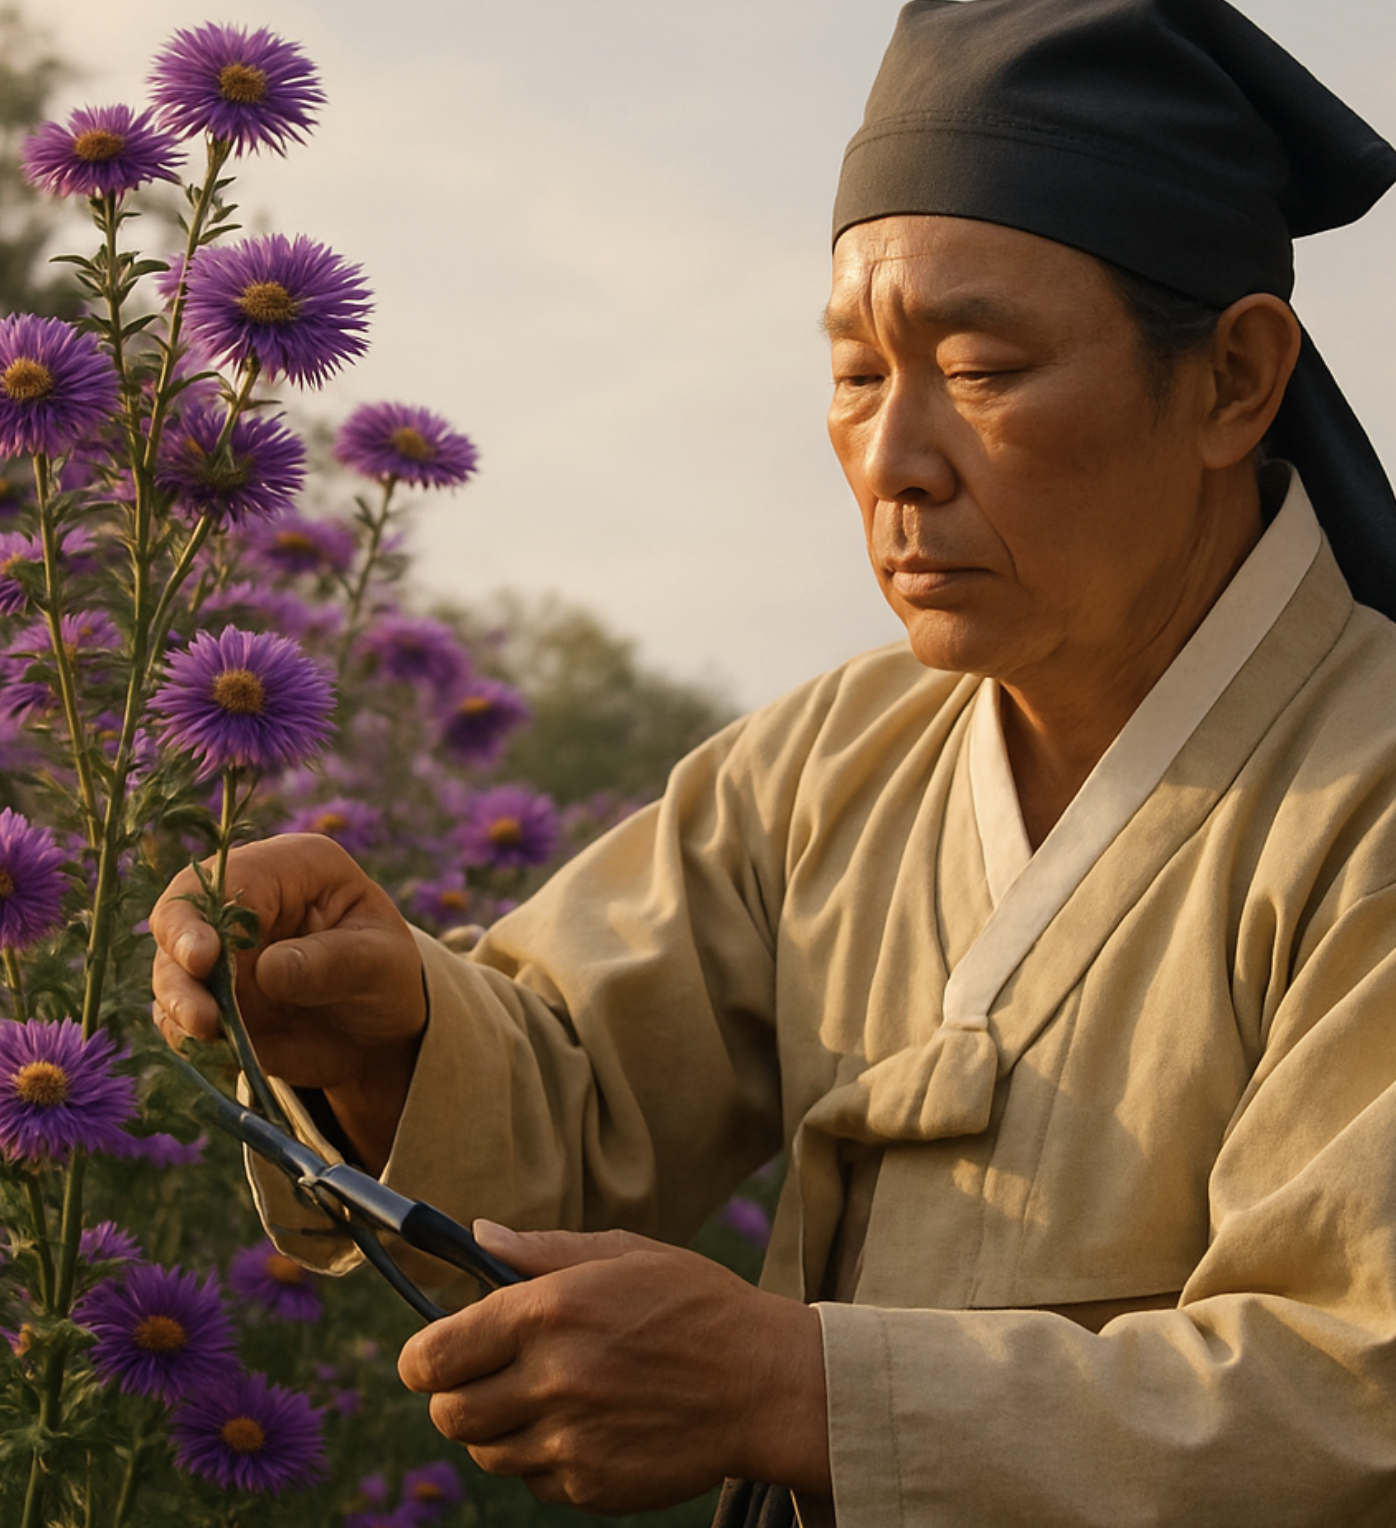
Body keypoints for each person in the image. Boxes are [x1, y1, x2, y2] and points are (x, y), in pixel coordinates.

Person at [152, 1, 1396, 1522]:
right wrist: (386, 1027)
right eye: (860, 375)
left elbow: (1352, 1391)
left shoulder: (1366, 792)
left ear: (1234, 382)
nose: (894, 459)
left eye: (983, 366)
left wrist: (794, 1389)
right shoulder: (825, 763)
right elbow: (583, 1093)